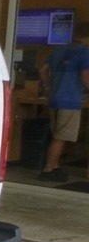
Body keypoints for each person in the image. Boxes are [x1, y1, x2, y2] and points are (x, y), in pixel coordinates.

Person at [38, 21, 89, 181]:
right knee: (61, 137)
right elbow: (85, 75)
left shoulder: (58, 50)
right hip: (70, 99)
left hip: (54, 99)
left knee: (57, 134)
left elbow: (42, 70)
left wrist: (47, 86)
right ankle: (48, 170)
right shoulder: (84, 52)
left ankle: (55, 166)